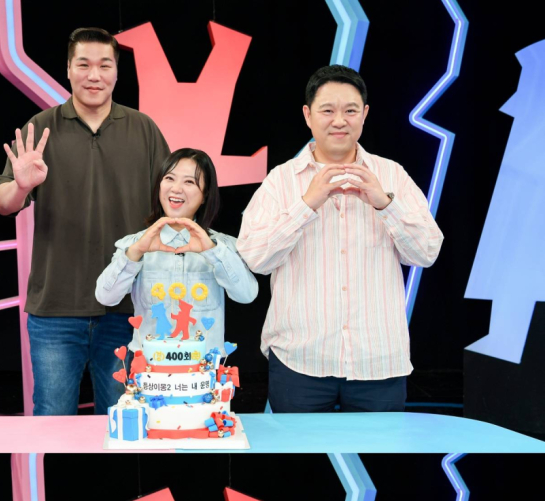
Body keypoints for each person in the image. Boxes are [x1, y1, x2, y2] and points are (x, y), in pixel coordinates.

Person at [237, 64, 443, 414]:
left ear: (364, 114)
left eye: (350, 110)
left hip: (378, 362)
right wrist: (307, 204)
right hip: (300, 361)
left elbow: (426, 252)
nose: (339, 121)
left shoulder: (391, 175)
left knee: (380, 452)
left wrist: (385, 204)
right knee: (298, 452)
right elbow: (256, 258)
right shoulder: (280, 180)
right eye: (327, 111)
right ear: (308, 115)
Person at [0, 28, 169, 416]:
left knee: (124, 423)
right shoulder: (40, 127)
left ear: (116, 72)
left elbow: (172, 205)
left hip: (127, 309)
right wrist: (21, 186)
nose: (94, 75)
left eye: (104, 65)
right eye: (84, 65)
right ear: (69, 69)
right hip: (55, 309)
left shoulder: (143, 129)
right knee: (52, 421)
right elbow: (2, 203)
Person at [95, 148, 258, 359]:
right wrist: (135, 253)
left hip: (202, 368)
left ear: (205, 195)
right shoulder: (136, 244)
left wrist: (213, 252)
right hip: (150, 369)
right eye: (169, 178)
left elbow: (247, 295)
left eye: (189, 182)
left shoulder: (222, 246)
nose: (176, 188)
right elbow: (105, 297)